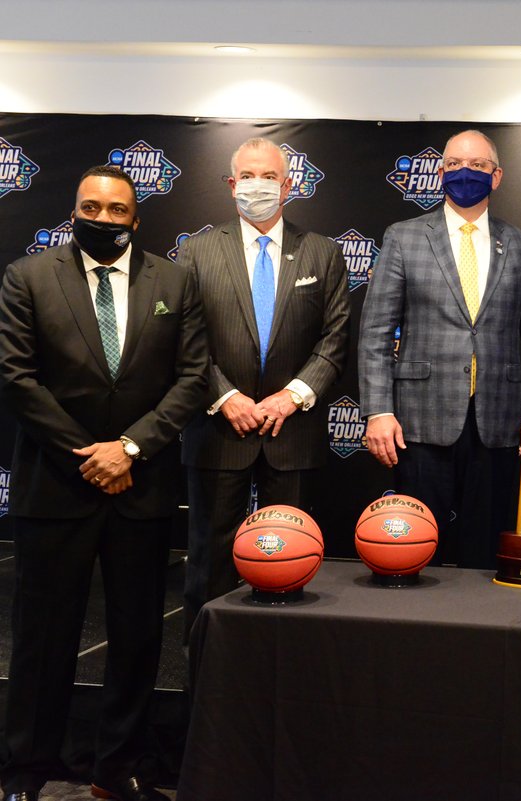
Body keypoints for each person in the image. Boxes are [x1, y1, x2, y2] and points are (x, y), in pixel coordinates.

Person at [0, 165, 207, 801]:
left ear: (136, 219)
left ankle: (118, 770)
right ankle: (25, 772)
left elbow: (193, 378)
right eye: (91, 207)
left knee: (138, 637)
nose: (103, 219)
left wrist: (130, 449)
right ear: (74, 213)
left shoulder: (174, 281)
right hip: (55, 487)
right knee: (42, 640)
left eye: (117, 210)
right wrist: (90, 458)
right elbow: (16, 378)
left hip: (141, 487)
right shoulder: (28, 278)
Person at [177, 138, 350, 642]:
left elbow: (335, 338)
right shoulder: (196, 252)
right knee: (209, 558)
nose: (259, 186)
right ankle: (205, 662)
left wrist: (291, 396)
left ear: (288, 186)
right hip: (217, 429)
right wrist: (225, 397)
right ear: (232, 185)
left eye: (269, 177)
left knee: (289, 560)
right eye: (248, 176)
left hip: (291, 432)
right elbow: (186, 339)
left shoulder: (322, 251)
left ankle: (283, 661)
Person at [359, 129, 521, 569]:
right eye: (454, 164)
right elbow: (375, 332)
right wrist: (378, 410)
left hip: (500, 423)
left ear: (497, 176)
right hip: (419, 421)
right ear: (440, 172)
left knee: (486, 553)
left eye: (478, 165)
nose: (465, 172)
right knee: (414, 547)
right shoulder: (404, 237)